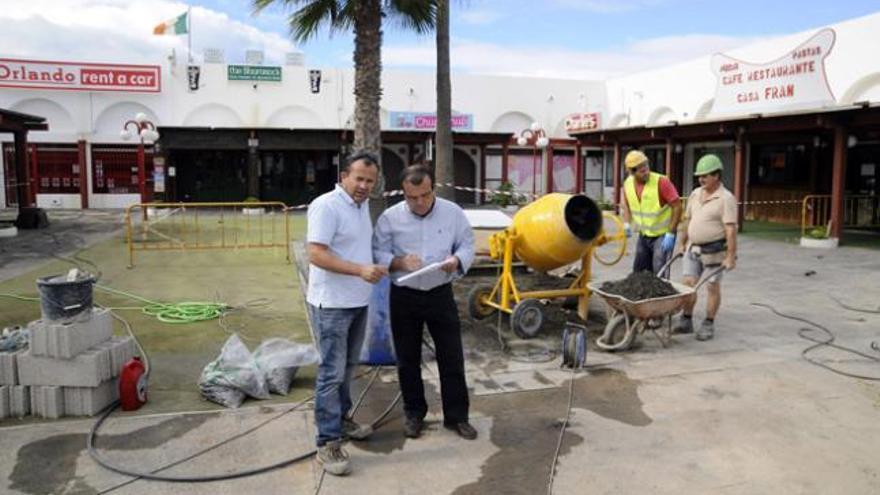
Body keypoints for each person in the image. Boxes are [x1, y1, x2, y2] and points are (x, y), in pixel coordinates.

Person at [372, 164, 477, 441]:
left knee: (451, 356)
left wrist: (456, 261)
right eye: (412, 197)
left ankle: (457, 417)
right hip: (404, 295)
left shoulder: (453, 213)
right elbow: (376, 251)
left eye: (425, 195)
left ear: (433, 189)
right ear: (403, 193)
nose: (419, 202)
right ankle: (414, 413)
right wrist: (398, 262)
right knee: (407, 359)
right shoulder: (389, 218)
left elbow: (467, 244)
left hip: (440, 292)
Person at [306, 151, 388, 476]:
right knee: (330, 373)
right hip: (331, 305)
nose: (365, 185)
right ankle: (327, 443)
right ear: (344, 176)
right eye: (359, 178)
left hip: (357, 301)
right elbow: (315, 253)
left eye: (370, 180)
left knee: (348, 368)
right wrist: (359, 270)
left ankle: (341, 420)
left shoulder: (361, 205)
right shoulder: (327, 206)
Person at [674, 154, 738, 341]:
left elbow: (730, 229)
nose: (701, 179)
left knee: (712, 286)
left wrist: (731, 256)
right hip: (693, 248)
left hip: (715, 250)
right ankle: (686, 320)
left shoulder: (726, 198)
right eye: (699, 176)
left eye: (705, 175)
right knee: (688, 285)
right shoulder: (695, 194)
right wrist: (682, 243)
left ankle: (708, 323)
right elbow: (688, 221)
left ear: (717, 176)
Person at [620, 150, 683, 276]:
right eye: (642, 171)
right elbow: (626, 204)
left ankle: (661, 295)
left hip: (663, 235)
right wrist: (626, 223)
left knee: (659, 270)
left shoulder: (661, 182)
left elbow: (677, 206)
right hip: (644, 234)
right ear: (632, 172)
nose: (646, 172)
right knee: (639, 271)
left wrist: (671, 233)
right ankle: (642, 296)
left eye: (647, 167)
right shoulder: (628, 184)